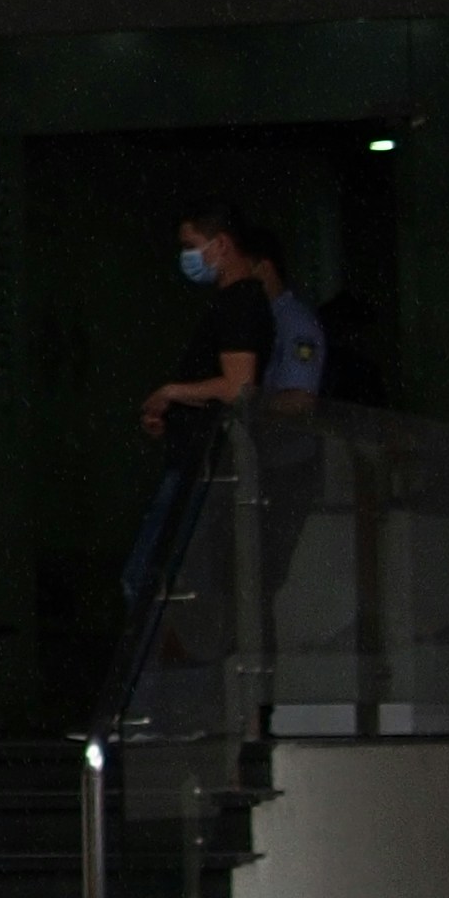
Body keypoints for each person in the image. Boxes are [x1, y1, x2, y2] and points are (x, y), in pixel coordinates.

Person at [121, 197, 277, 620]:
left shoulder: (240, 304)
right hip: (197, 453)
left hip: (205, 461)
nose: (187, 257)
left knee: (151, 578)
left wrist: (172, 393)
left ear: (221, 244)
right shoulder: (234, 303)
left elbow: (237, 385)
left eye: (192, 245)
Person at [241, 217, 327, 406]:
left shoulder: (296, 322)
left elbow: (299, 399)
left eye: (241, 272)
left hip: (284, 435)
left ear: (264, 269)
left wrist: (248, 408)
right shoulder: (259, 318)